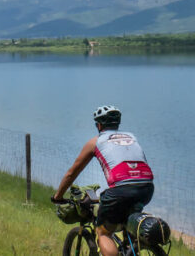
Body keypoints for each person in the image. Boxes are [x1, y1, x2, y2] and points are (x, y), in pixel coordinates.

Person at [52, 105, 154, 256]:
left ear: (99, 125)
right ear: (117, 124)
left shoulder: (96, 141)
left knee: (103, 232)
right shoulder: (132, 137)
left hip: (121, 191)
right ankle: (132, 249)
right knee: (128, 221)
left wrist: (58, 196)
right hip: (147, 188)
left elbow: (71, 173)